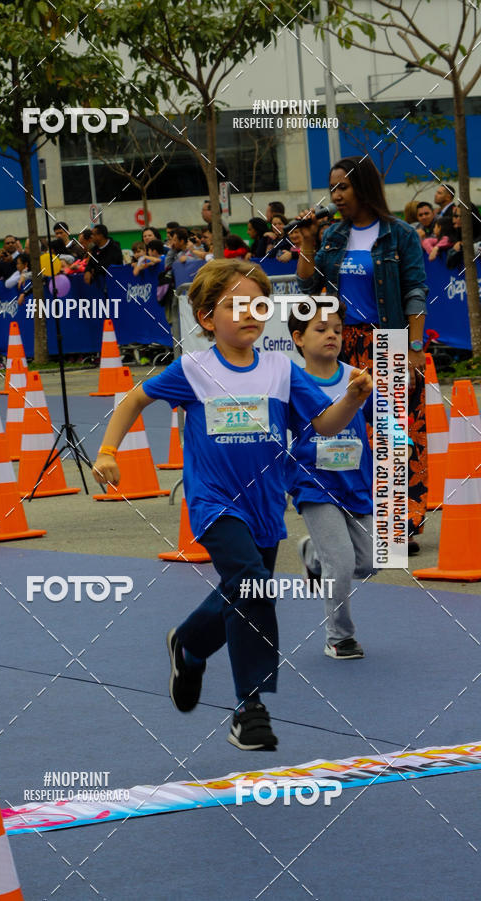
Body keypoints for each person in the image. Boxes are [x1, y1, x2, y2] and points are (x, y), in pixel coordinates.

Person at [92, 258, 372, 750]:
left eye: (257, 304)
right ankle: (251, 709)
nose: (249, 312)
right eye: (234, 304)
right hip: (215, 504)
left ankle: (189, 643)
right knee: (252, 587)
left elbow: (325, 423)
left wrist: (351, 399)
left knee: (243, 589)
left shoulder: (281, 370)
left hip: (266, 507)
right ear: (206, 318)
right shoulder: (194, 370)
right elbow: (134, 399)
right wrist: (108, 450)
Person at [295, 155, 428, 554]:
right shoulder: (334, 237)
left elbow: (415, 292)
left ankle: (400, 522)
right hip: (343, 342)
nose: (335, 196)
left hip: (387, 343)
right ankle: (359, 516)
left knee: (394, 430)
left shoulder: (399, 234)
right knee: (354, 433)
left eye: (343, 188)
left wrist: (415, 348)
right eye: (332, 189)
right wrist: (306, 240)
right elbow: (308, 286)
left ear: (364, 188)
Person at [287, 299, 373, 659]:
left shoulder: (357, 377)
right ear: (299, 338)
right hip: (314, 484)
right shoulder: (292, 382)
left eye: (337, 329)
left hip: (356, 483)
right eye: (320, 329)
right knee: (340, 562)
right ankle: (340, 637)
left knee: (368, 562)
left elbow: (382, 419)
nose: (332, 336)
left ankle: (312, 555)